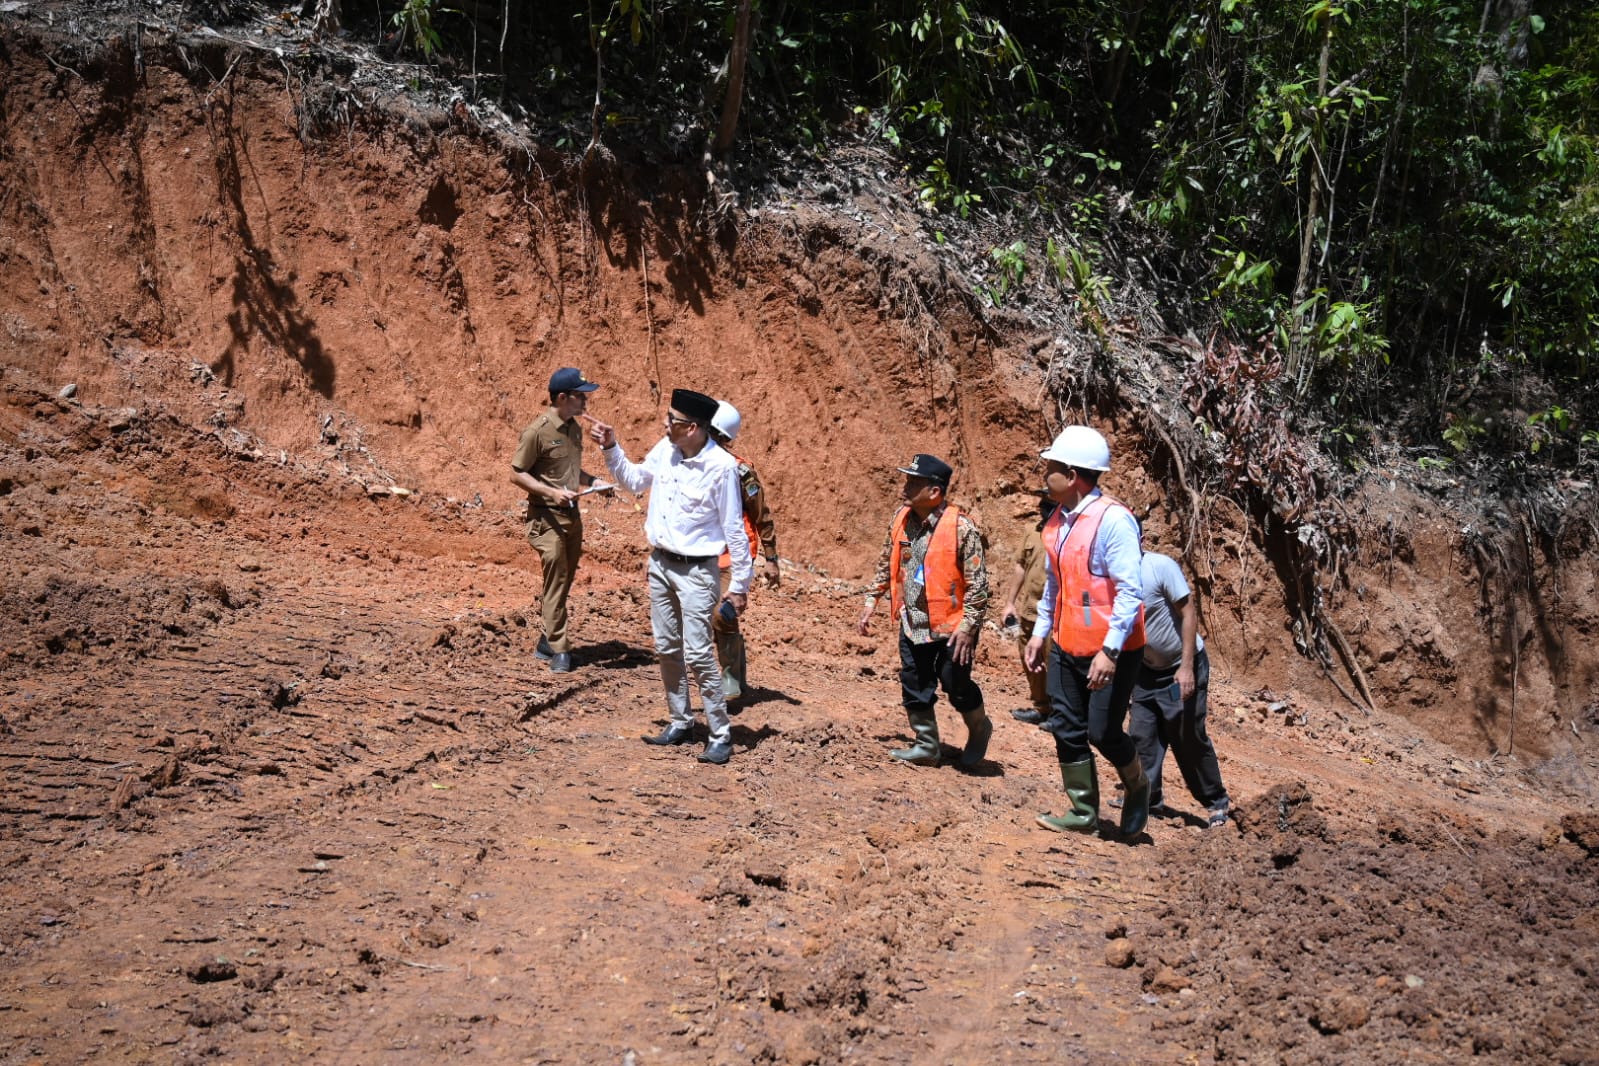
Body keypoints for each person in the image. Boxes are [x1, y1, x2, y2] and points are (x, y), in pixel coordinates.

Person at [589, 389, 753, 765]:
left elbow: (734, 528)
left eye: (672, 420)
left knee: (697, 653)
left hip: (697, 572)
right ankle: (681, 722)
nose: (665, 424)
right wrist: (611, 448)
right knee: (666, 647)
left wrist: (740, 586)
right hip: (661, 564)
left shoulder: (721, 467)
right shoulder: (667, 449)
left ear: (692, 428)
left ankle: (720, 734)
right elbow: (634, 481)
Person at [1025, 425, 1152, 837]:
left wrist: (1110, 652)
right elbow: (1055, 585)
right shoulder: (1057, 521)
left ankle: (1139, 785)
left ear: (1073, 475)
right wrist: (1040, 633)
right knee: (1066, 725)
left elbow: (1130, 592)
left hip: (1113, 651)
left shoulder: (1114, 521)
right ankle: (1083, 812)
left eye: (1052, 467)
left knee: (1103, 732)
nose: (1045, 473)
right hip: (1066, 644)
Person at [858, 454, 993, 769]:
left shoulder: (961, 528)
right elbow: (886, 561)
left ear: (934, 491)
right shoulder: (901, 518)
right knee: (914, 682)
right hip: (913, 621)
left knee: (955, 683)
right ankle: (926, 744)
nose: (904, 487)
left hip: (953, 627)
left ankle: (979, 727)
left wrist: (969, 627)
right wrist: (871, 600)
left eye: (913, 482)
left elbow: (978, 584)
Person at [508, 367, 603, 673]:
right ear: (562, 397)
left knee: (562, 583)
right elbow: (517, 473)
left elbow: (570, 471)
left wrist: (594, 482)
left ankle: (546, 641)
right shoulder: (537, 432)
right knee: (557, 580)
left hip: (571, 518)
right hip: (545, 518)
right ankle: (560, 649)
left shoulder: (574, 429)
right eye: (580, 396)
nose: (585, 401)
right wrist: (551, 492)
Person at [1127, 550, 1231, 828]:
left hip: (1179, 666)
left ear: (1139, 540)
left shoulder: (1159, 567)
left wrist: (1186, 667)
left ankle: (1216, 801)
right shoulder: (1111, 572)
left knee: (1186, 735)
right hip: (1145, 669)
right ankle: (1147, 798)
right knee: (1141, 733)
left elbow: (1188, 613)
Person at [708, 401, 781, 703]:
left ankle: (731, 677)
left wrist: (771, 558)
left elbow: (761, 513)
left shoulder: (740, 471)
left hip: (734, 553)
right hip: (701, 551)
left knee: (721, 612)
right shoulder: (690, 464)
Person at [1000, 494, 1058, 726]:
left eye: (1049, 504)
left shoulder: (1067, 534)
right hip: (1029, 611)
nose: (1042, 507)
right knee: (1030, 659)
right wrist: (1010, 602)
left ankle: (1060, 714)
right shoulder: (1032, 531)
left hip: (1055, 615)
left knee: (1054, 663)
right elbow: (1020, 567)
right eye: (1042, 503)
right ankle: (1042, 708)